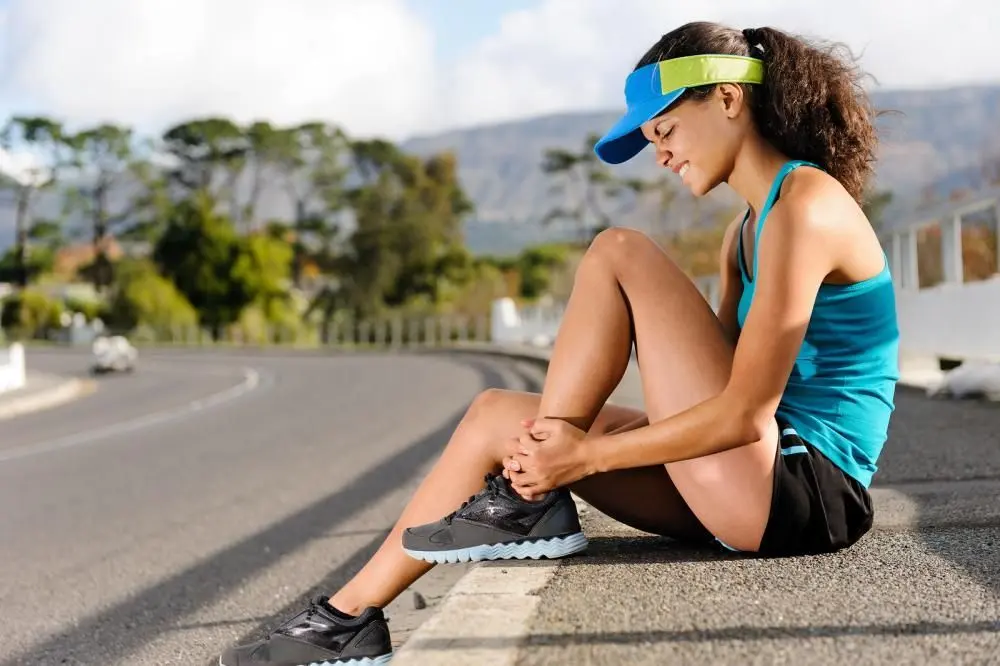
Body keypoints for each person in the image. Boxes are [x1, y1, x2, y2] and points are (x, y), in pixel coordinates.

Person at [218, 20, 899, 666]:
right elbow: (709, 391)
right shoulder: (742, 235)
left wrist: (589, 455)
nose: (659, 154)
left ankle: (531, 499)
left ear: (727, 99)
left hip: (803, 493)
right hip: (744, 484)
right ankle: (346, 621)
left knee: (620, 251)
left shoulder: (805, 204)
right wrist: (564, 450)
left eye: (663, 130)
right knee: (493, 415)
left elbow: (741, 414)